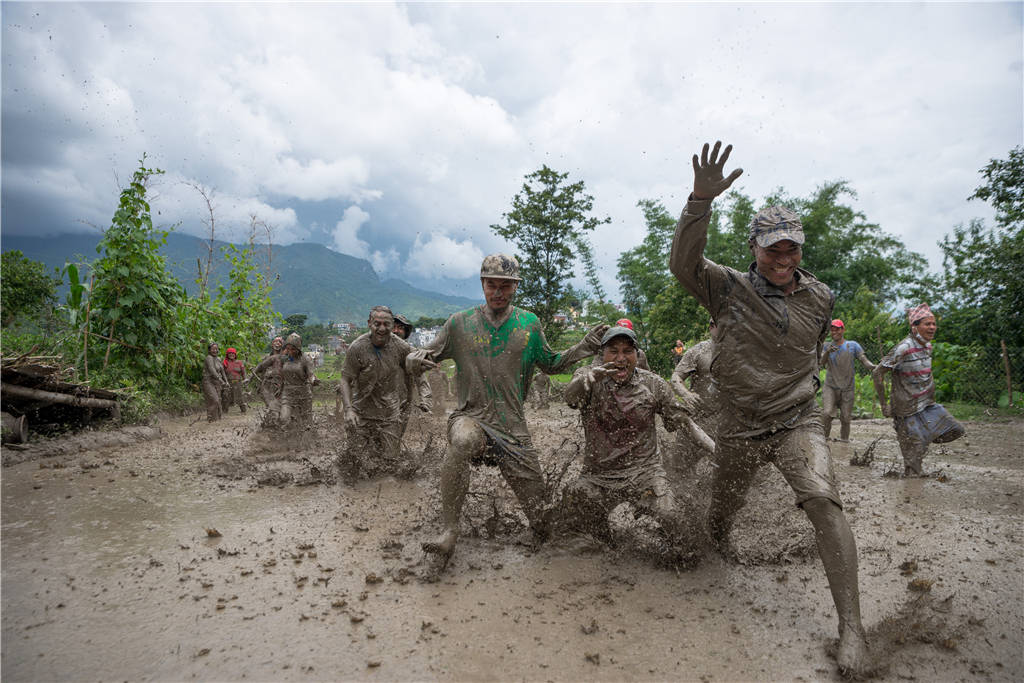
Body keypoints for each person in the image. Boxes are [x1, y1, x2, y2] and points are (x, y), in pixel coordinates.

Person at [669, 140, 868, 675]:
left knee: (824, 502)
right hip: (737, 422)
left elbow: (810, 348)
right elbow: (681, 263)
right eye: (772, 249)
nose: (783, 260)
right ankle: (716, 550)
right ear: (754, 246)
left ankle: (852, 629)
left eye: (792, 250)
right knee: (721, 512)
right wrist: (699, 202)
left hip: (797, 418)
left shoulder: (821, 297)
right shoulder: (724, 287)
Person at [410, 254, 608, 565]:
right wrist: (413, 360)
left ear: (515, 287)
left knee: (545, 524)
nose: (498, 292)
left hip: (513, 429)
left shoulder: (529, 324)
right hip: (470, 417)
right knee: (462, 441)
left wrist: (584, 346)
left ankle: (573, 535)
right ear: (482, 284)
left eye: (506, 286)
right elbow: (424, 354)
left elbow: (552, 363)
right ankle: (450, 531)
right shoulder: (459, 324)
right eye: (492, 285)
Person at [562, 326, 687, 543]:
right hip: (599, 476)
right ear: (602, 355)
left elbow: (675, 423)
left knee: (672, 516)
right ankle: (604, 540)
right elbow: (570, 398)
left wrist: (681, 416)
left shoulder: (653, 383)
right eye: (614, 351)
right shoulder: (588, 376)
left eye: (628, 351)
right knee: (573, 504)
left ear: (637, 355)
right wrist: (588, 380)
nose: (621, 358)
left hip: (644, 473)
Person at [872, 304, 965, 476]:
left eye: (933, 324)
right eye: (927, 324)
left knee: (956, 429)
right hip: (906, 409)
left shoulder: (927, 347)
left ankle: (919, 443)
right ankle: (911, 491)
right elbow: (877, 372)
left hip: (927, 405)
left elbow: (925, 374)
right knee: (914, 463)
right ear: (915, 327)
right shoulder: (904, 348)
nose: (932, 327)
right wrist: (884, 404)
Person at [339, 306, 428, 478]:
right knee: (357, 463)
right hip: (361, 413)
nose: (381, 328)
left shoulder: (401, 347)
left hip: (389, 415)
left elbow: (418, 364)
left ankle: (386, 499)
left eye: (386, 324)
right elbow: (345, 380)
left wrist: (426, 363)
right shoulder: (357, 347)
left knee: (390, 465)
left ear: (391, 325)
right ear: (369, 324)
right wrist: (348, 409)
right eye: (377, 324)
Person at [669, 319, 720, 472]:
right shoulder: (700, 350)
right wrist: (686, 394)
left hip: (729, 424)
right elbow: (675, 377)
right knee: (679, 468)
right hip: (698, 419)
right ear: (712, 327)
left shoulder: (742, 351)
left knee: (728, 472)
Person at [819, 319, 874, 442]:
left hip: (847, 387)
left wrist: (874, 367)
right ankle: (823, 440)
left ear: (843, 330)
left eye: (837, 329)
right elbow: (821, 363)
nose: (834, 332)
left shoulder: (852, 345)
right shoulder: (826, 346)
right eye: (832, 330)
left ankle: (844, 442)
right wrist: (827, 352)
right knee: (827, 413)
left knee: (845, 418)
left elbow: (864, 360)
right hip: (831, 386)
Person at [392, 313, 433, 439]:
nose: (396, 330)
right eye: (393, 327)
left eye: (400, 328)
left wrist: (425, 401)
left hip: (402, 404)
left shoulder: (411, 355)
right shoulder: (376, 350)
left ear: (405, 333)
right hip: (378, 403)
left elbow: (422, 380)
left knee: (394, 438)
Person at [279, 333, 317, 429]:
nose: (290, 351)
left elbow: (311, 374)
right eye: (288, 349)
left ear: (298, 348)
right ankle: (288, 436)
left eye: (293, 349)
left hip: (303, 393)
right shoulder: (284, 358)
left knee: (306, 422)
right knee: (283, 418)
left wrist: (313, 380)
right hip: (288, 392)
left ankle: (308, 440)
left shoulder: (305, 359)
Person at [253, 337, 285, 426]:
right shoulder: (267, 357)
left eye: (280, 342)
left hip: (281, 385)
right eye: (275, 341)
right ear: (272, 344)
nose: (277, 343)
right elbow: (260, 369)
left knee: (279, 407)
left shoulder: (285, 358)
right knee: (271, 407)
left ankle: (270, 425)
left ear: (283, 345)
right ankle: (270, 425)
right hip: (267, 385)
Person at [202, 341, 229, 422]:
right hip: (208, 381)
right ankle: (210, 417)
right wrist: (221, 380)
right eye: (213, 349)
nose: (215, 351)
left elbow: (222, 371)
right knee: (215, 400)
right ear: (209, 350)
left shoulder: (219, 359)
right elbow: (212, 370)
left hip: (217, 382)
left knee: (219, 402)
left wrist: (226, 381)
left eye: (216, 349)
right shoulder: (208, 358)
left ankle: (215, 420)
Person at [222, 347, 247, 414]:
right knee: (226, 396)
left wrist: (245, 379)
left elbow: (243, 372)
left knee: (240, 396)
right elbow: (222, 373)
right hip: (228, 382)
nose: (231, 355)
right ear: (227, 354)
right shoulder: (225, 363)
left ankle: (243, 410)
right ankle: (225, 411)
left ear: (235, 354)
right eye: (229, 353)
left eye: (233, 353)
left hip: (238, 381)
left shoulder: (239, 362)